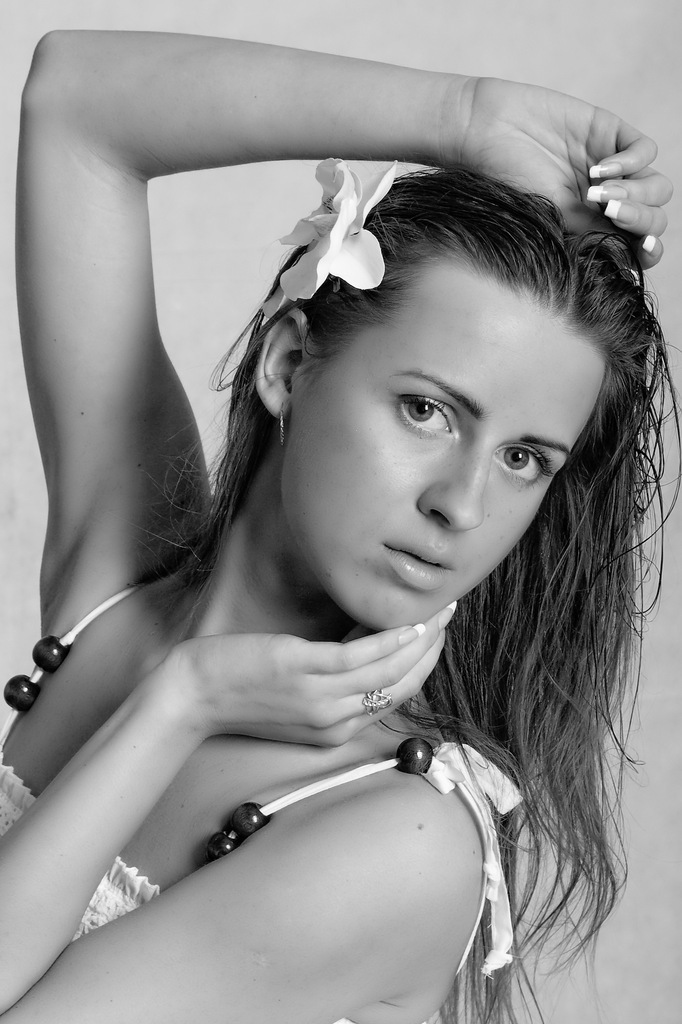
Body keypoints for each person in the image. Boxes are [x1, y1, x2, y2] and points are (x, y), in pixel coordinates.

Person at [0, 29, 675, 1024]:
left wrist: (181, 702)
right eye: (426, 410)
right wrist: (465, 116)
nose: (461, 505)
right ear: (287, 365)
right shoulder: (128, 577)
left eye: (523, 459)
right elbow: (76, 104)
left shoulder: (397, 838)